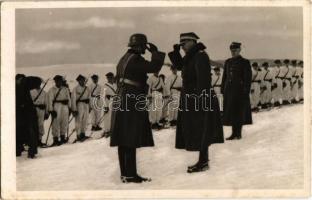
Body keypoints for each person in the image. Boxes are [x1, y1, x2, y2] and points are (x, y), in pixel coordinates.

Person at [110, 33, 165, 183]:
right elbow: (153, 67)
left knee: (123, 137)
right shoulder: (135, 59)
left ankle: (126, 174)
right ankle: (131, 175)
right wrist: (155, 53)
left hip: (122, 98)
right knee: (130, 136)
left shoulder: (124, 58)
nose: (144, 50)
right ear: (140, 46)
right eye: (144, 46)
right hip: (131, 99)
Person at [168, 32, 224, 173]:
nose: (182, 47)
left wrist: (201, 100)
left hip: (199, 98)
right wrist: (175, 53)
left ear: (193, 41)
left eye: (184, 44)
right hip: (191, 98)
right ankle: (203, 161)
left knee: (202, 128)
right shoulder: (191, 56)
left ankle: (203, 162)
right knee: (198, 129)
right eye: (181, 45)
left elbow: (203, 80)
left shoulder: (200, 55)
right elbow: (181, 66)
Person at [221, 42, 252, 140]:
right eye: (232, 51)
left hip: (240, 91)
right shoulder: (228, 62)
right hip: (229, 91)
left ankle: (238, 133)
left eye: (235, 50)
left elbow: (248, 78)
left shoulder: (244, 62)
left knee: (239, 112)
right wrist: (223, 89)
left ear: (239, 50)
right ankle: (234, 133)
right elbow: (224, 77)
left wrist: (245, 91)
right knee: (231, 112)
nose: (233, 52)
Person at [48, 75, 71, 146]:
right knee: (56, 123)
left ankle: (63, 137)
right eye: (57, 81)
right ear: (55, 81)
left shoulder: (65, 89)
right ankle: (55, 139)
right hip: (56, 106)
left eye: (60, 81)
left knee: (64, 122)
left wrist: (70, 108)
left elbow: (69, 99)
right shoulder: (52, 90)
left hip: (64, 107)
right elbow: (50, 100)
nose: (58, 82)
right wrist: (51, 110)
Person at [29, 77, 49, 147]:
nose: (38, 84)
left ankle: (39, 140)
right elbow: (29, 103)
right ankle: (33, 141)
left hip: (42, 111)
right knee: (33, 126)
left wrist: (47, 113)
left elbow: (46, 103)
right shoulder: (31, 92)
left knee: (40, 125)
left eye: (39, 83)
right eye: (37, 83)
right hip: (33, 110)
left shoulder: (44, 93)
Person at [71, 74, 91, 142]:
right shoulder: (75, 89)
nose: (82, 81)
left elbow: (89, 98)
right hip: (79, 105)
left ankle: (83, 133)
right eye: (81, 80)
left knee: (85, 120)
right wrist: (74, 109)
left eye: (83, 80)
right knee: (78, 120)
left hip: (86, 105)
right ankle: (78, 135)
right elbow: (73, 99)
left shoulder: (87, 88)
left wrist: (90, 106)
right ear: (78, 81)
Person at [16, 74, 27, 156]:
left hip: (21, 113)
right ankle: (17, 148)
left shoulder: (22, 88)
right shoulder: (14, 88)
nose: (22, 82)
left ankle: (20, 146)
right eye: (21, 80)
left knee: (21, 130)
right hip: (16, 112)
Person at [102, 72, 117, 137]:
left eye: (111, 77)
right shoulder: (105, 86)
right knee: (107, 117)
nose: (110, 79)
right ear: (107, 78)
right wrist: (105, 106)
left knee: (114, 116)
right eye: (109, 77)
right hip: (108, 102)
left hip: (115, 101)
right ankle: (107, 131)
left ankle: (113, 130)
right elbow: (103, 97)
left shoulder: (115, 85)